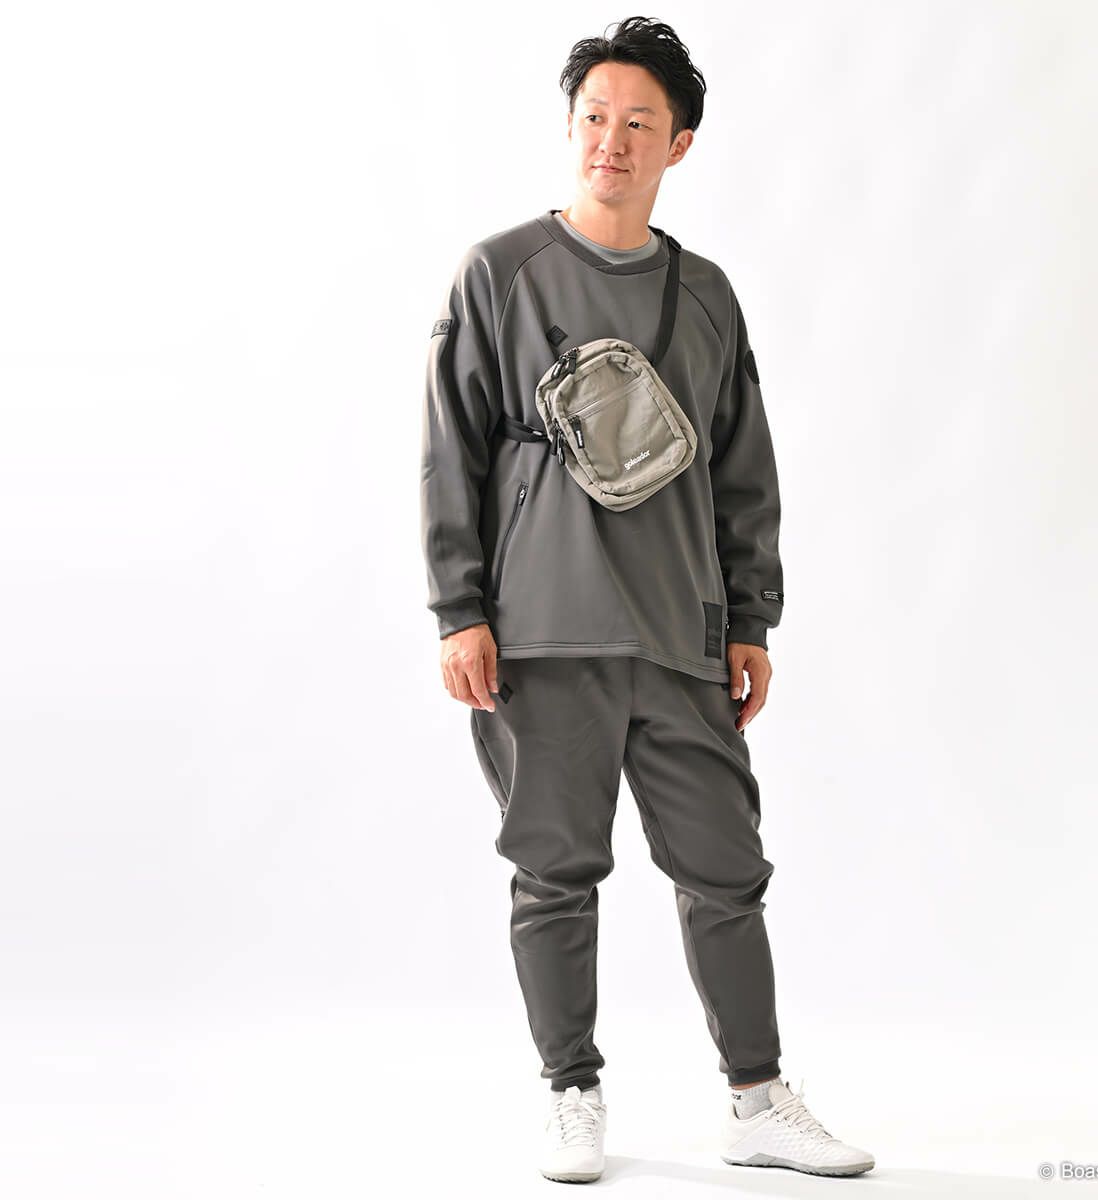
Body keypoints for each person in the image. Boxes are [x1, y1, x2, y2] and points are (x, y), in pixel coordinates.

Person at [419, 15, 874, 1184]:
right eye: (593, 118)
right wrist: (459, 609)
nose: (609, 142)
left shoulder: (707, 295)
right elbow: (449, 450)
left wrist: (751, 618)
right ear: (568, 126)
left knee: (726, 872)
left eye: (637, 124)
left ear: (679, 145)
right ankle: (571, 1095)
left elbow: (742, 467)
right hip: (542, 634)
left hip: (681, 635)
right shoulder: (499, 272)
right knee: (554, 874)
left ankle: (759, 1101)